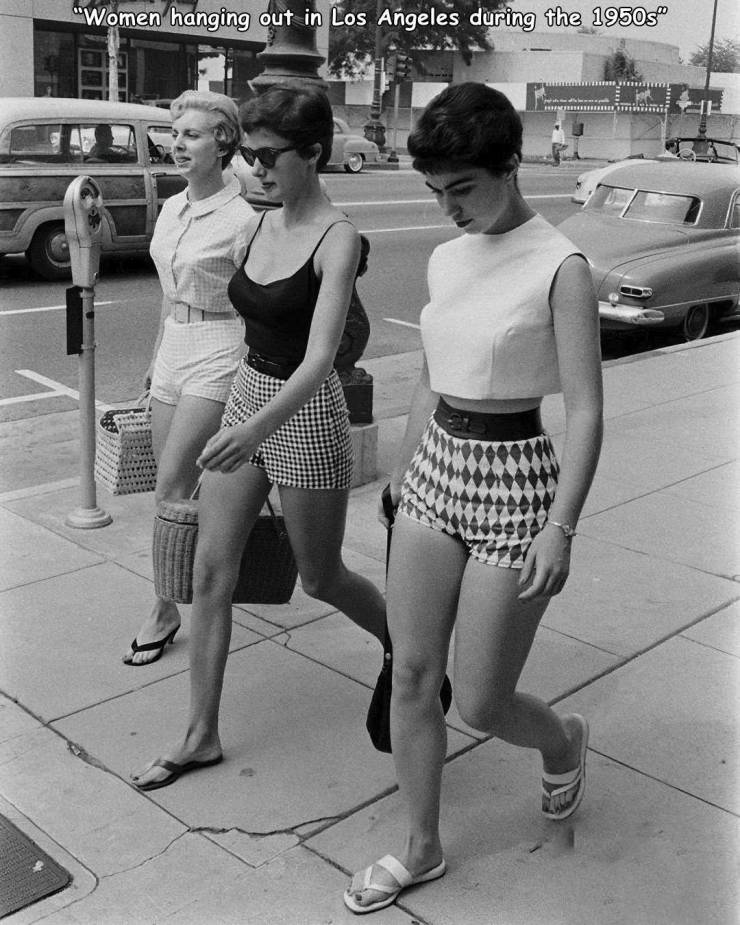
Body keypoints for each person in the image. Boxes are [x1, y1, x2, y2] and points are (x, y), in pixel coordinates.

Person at [344, 83, 603, 914]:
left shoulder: (560, 265)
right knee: (415, 674)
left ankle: (562, 739)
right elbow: (432, 371)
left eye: (463, 189)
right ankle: (421, 846)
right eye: (435, 192)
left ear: (509, 166)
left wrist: (561, 526)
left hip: (518, 479)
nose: (449, 209)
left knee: (484, 698)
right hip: (435, 471)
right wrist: (402, 470)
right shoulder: (446, 257)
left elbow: (589, 411)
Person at [130, 85, 386, 788]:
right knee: (212, 570)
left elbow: (321, 356)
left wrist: (250, 431)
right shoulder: (258, 222)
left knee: (320, 574)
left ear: (313, 153)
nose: (258, 167)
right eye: (250, 153)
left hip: (301, 412)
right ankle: (200, 733)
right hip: (247, 390)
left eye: (270, 156)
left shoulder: (339, 237)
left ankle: (406, 647)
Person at [122, 90, 254, 665]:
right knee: (167, 488)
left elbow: (258, 304)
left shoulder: (243, 218)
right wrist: (155, 357)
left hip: (220, 347)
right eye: (176, 135)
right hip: (175, 342)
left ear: (223, 142)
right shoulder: (174, 207)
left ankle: (166, 605)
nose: (179, 145)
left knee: (175, 483)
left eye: (193, 135)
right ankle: (195, 584)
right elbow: (167, 292)